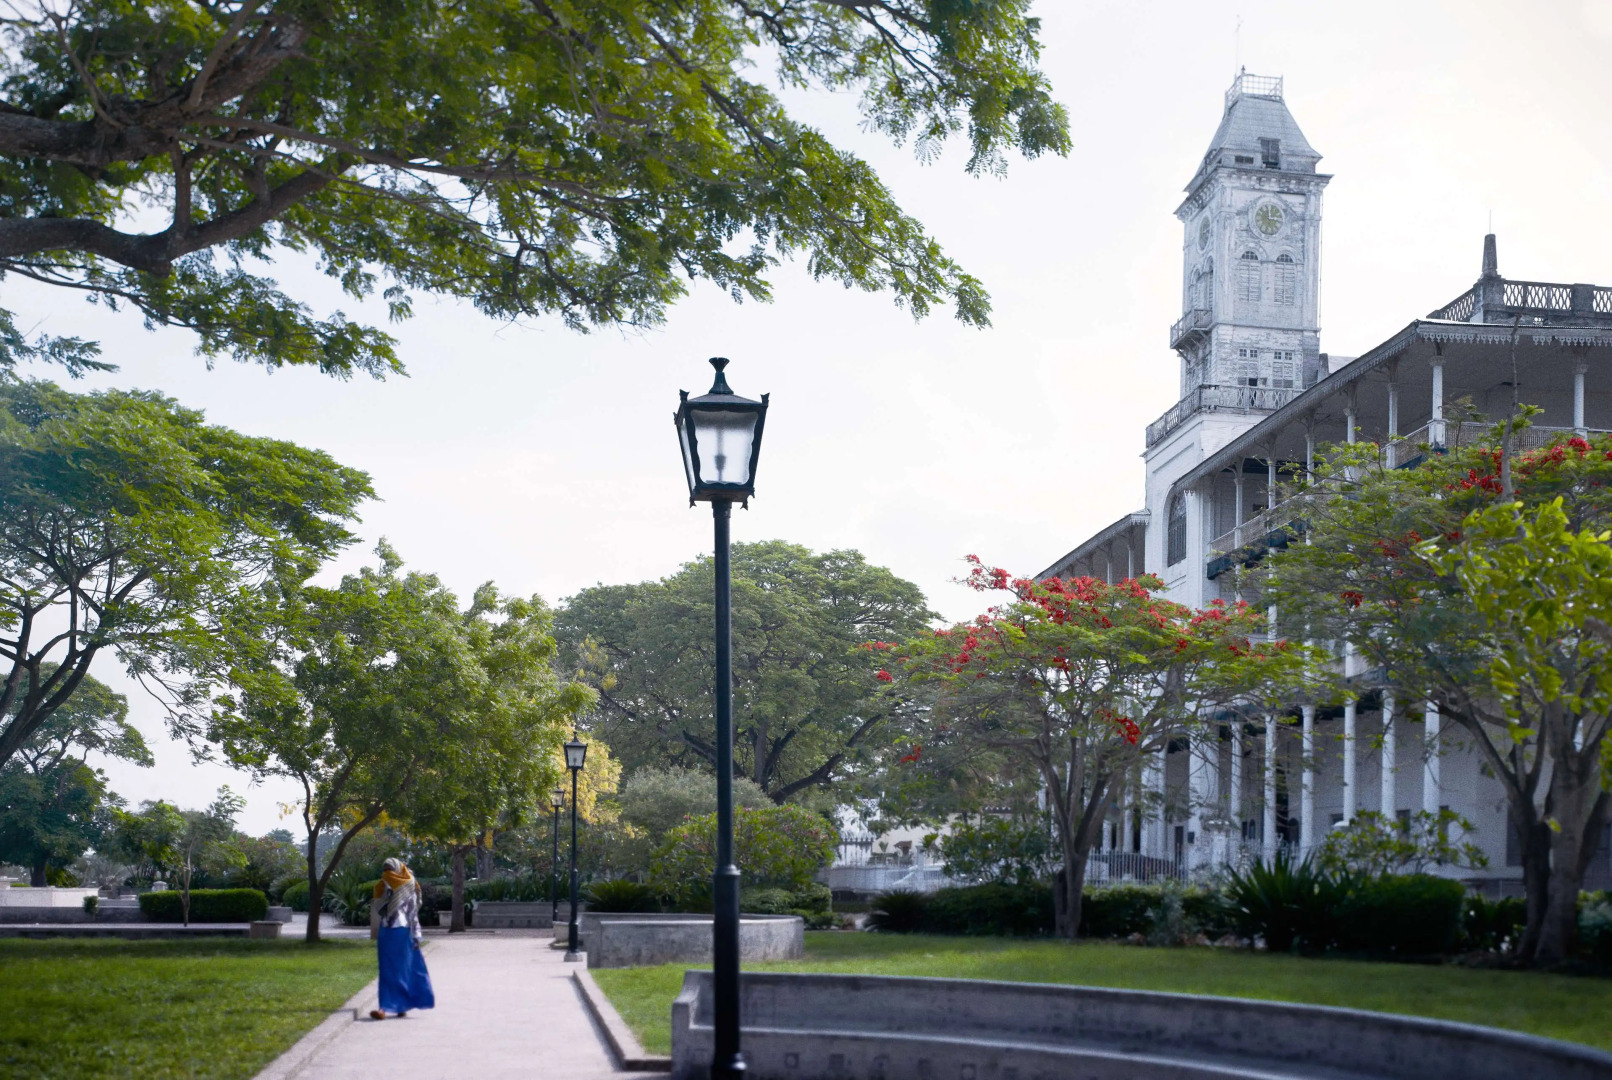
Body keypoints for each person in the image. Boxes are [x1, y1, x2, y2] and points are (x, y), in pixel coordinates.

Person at [369, 858, 435, 1020]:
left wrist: (416, 935)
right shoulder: (382, 885)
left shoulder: (410, 884)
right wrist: (385, 894)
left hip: (404, 932)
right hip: (387, 931)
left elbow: (413, 912)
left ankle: (401, 1005)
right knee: (386, 970)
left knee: (404, 969)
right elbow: (380, 908)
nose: (387, 872)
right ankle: (384, 1007)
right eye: (385, 869)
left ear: (399, 869)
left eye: (390, 869)